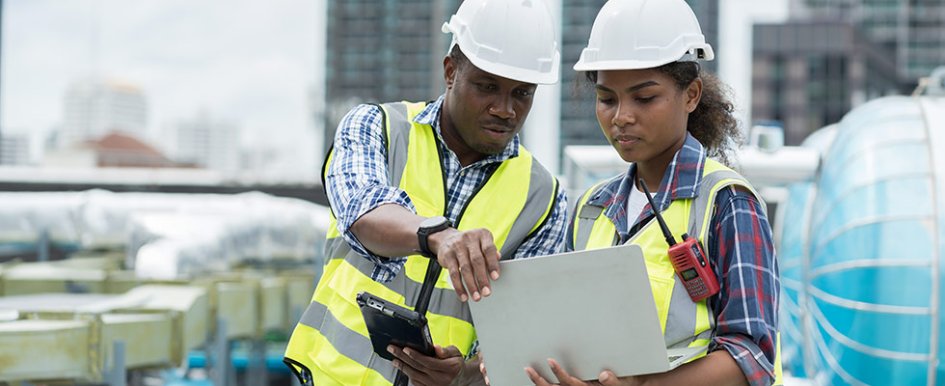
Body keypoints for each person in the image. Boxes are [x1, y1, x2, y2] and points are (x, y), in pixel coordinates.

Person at [283, 0, 568, 385]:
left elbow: (523, 331)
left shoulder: (544, 197)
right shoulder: (377, 128)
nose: (505, 109)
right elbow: (363, 211)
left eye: (522, 93)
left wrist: (462, 376)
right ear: (451, 72)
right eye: (487, 87)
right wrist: (438, 236)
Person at [522, 1, 781, 385]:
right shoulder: (592, 208)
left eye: (644, 98)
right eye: (607, 98)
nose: (621, 116)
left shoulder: (727, 203)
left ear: (691, 95)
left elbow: (751, 356)